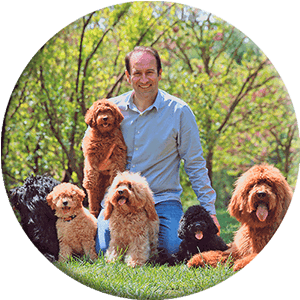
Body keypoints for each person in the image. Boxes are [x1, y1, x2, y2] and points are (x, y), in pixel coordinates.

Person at [93, 46, 220, 257]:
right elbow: (90, 153)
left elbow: (195, 164)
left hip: (162, 199)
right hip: (119, 199)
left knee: (171, 249)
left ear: (160, 73)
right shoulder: (110, 110)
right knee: (105, 249)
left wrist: (210, 210)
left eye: (150, 72)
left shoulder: (179, 112)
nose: (144, 79)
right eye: (137, 73)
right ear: (127, 76)